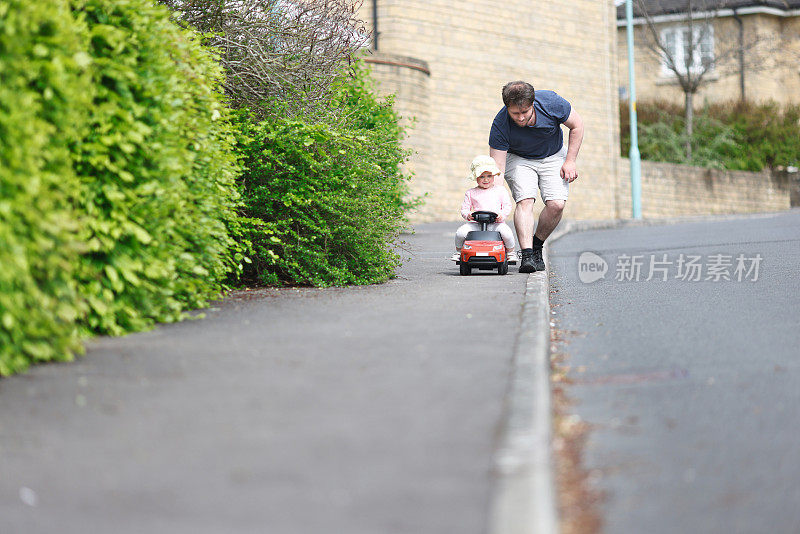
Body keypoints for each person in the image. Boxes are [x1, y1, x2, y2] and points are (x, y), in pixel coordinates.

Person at [489, 80, 584, 273]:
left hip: (554, 154)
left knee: (557, 204)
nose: (521, 118)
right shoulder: (500, 123)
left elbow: (577, 126)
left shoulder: (551, 102)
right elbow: (497, 166)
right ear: (507, 107)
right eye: (515, 113)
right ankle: (527, 255)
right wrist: (494, 198)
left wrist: (570, 161)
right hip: (519, 158)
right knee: (525, 200)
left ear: (533, 104)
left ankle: (537, 244)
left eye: (525, 112)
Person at [454, 155, 516, 259]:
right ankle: (459, 252)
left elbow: (507, 206)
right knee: (460, 233)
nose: (486, 180)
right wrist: (468, 215)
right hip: (476, 224)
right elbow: (464, 209)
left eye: (489, 176)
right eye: (482, 177)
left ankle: (510, 252)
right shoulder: (471, 192)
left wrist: (502, 215)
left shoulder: (500, 190)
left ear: (493, 176)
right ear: (476, 177)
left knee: (507, 233)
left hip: (496, 223)